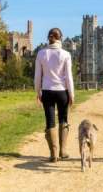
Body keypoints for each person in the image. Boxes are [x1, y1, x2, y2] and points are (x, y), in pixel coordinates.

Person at [35, 28, 74, 163]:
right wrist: (71, 94)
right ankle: (63, 151)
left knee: (50, 121)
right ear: (60, 38)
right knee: (63, 119)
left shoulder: (41, 54)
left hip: (47, 91)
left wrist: (37, 91)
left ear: (49, 38)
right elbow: (69, 77)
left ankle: (53, 154)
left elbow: (37, 76)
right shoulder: (66, 54)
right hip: (62, 91)